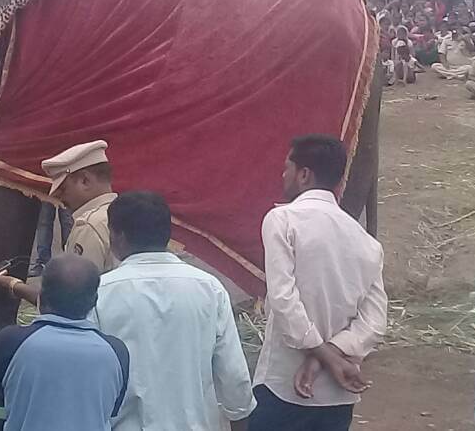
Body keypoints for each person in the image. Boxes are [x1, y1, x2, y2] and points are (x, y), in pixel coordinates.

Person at [250, 135, 387, 431]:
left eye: (287, 167)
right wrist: (333, 356)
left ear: (304, 175)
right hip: (338, 395)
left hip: (282, 386)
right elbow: (374, 322)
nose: (283, 175)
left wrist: (320, 356)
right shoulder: (366, 242)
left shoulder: (282, 220)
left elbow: (283, 300)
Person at [92, 191, 255, 430]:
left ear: (118, 236)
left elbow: (86, 375)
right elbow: (234, 376)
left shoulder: (100, 293)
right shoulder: (209, 289)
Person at [0, 254, 129, 431]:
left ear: (41, 295)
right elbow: (112, 408)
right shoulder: (117, 352)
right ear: (94, 301)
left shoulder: (12, 341)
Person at [0, 140, 119, 305]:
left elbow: (71, 304)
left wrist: (13, 285)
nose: (59, 198)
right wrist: (13, 284)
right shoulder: (122, 213)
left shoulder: (90, 225)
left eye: (63, 189)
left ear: (85, 181)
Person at [30, 202, 75, 278]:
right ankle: (43, 262)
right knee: (44, 221)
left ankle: (70, 261)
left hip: (67, 191)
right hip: (47, 191)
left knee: (67, 222)